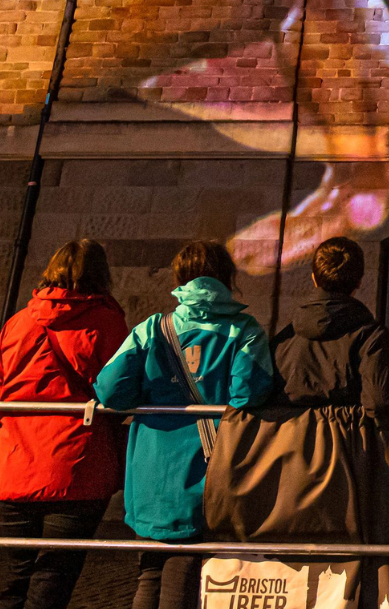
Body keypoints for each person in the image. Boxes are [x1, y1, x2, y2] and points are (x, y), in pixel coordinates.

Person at [94, 241, 273, 609]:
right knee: (184, 574)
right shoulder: (246, 331)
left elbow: (111, 390)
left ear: (180, 278)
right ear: (227, 278)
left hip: (151, 469)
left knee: (149, 573)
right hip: (207, 468)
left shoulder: (151, 328)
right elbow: (247, 395)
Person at [0, 239, 129, 609]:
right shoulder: (105, 321)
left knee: (17, 580)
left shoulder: (16, 323)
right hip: (74, 468)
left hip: (14, 465)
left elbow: (1, 386)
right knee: (53, 579)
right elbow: (118, 389)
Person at [271, 237, 389, 415]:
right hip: (347, 441)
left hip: (291, 441)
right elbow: (379, 402)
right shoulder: (373, 338)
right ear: (359, 281)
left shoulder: (283, 341)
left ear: (314, 279)